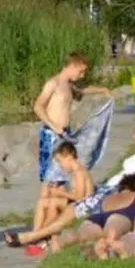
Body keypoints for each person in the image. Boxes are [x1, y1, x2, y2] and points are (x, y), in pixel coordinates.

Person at [5, 142, 93, 252]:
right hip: (77, 204)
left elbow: (79, 198)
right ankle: (36, 235)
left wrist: (60, 193)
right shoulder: (75, 171)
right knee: (43, 202)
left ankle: (34, 237)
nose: (60, 166)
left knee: (52, 204)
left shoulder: (79, 172)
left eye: (60, 162)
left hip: (83, 207)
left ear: (69, 157)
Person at [32, 51, 99, 183]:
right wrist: (53, 126)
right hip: (52, 133)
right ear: (73, 66)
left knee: (64, 172)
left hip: (65, 132)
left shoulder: (69, 85)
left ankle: (62, 200)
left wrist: (104, 90)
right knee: (49, 174)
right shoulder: (53, 83)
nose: (82, 75)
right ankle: (49, 200)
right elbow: (38, 107)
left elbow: (83, 91)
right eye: (80, 71)